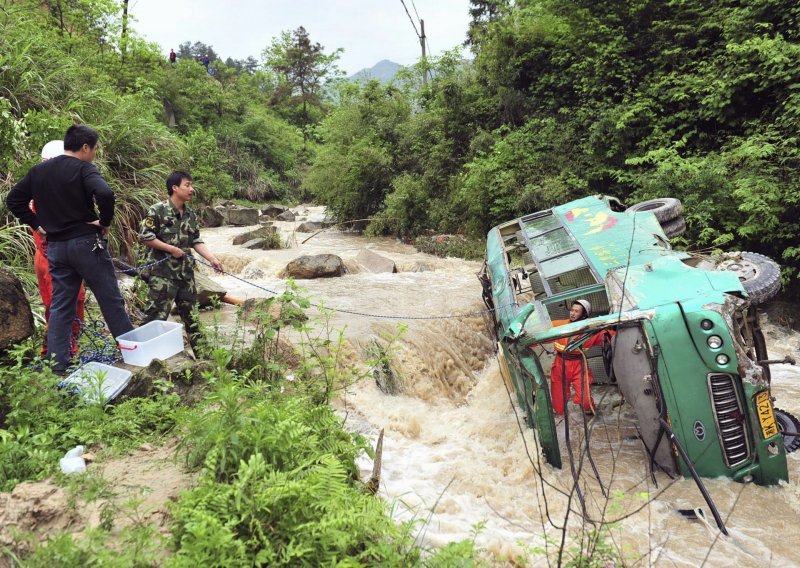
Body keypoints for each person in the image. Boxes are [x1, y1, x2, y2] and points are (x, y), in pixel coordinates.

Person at [7, 124, 134, 373]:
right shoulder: (84, 169)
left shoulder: (39, 171)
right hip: (86, 244)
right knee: (110, 300)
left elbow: (14, 200)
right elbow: (106, 194)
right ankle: (132, 354)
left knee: (61, 307)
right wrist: (104, 222)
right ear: (85, 147)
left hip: (56, 247)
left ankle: (57, 367)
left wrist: (37, 225)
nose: (95, 153)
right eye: (95, 149)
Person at [139, 171, 223, 354]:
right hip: (162, 276)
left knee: (193, 319)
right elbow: (146, 237)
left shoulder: (191, 214)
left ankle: (205, 361)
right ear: (175, 188)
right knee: (154, 319)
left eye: (191, 185)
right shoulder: (157, 210)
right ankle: (146, 361)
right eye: (187, 185)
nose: (191, 189)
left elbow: (196, 241)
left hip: (185, 276)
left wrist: (212, 259)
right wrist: (171, 249)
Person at [31, 140, 86, 357]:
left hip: (59, 258)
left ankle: (62, 350)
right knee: (63, 305)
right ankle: (59, 354)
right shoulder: (42, 194)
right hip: (52, 259)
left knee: (72, 302)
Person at [549, 299, 609, 416]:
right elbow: (540, 330)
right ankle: (559, 419)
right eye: (572, 310)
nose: (572, 313)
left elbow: (609, 336)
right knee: (558, 404)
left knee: (586, 400)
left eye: (576, 311)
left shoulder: (591, 331)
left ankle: (591, 416)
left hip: (579, 366)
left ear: (584, 315)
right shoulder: (559, 325)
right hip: (560, 364)